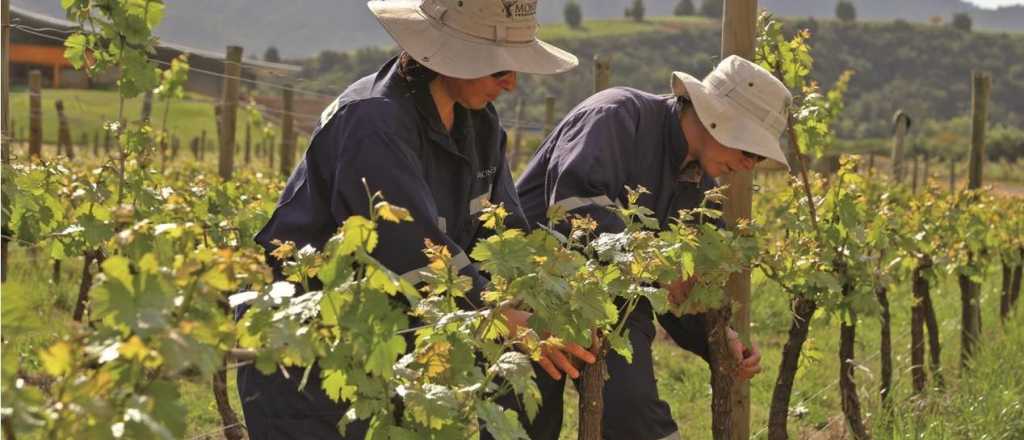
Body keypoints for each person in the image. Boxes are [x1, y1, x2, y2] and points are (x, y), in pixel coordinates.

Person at [236, 1, 579, 438]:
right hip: (311, 360)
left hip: (397, 353)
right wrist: (494, 313)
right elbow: (408, 247)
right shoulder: (373, 119)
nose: (511, 84)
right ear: (450, 57)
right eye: (499, 70)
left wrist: (541, 291)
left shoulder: (481, 124)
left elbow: (503, 230)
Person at [512, 55, 792, 439]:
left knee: (637, 418)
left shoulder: (700, 190)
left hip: (616, 307)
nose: (749, 166)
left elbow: (679, 291)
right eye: (751, 153)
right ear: (719, 120)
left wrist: (718, 340)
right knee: (524, 427)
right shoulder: (615, 116)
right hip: (530, 295)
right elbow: (573, 208)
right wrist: (655, 262)